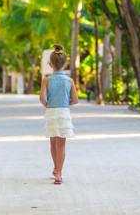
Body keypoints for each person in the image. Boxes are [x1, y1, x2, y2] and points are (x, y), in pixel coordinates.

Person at [39, 44, 78, 185]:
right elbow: (76, 100)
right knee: (61, 145)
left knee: (53, 143)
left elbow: (42, 98)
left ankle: (55, 168)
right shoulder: (69, 81)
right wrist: (66, 104)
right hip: (63, 112)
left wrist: (48, 105)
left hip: (51, 112)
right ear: (65, 64)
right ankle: (59, 174)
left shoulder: (46, 80)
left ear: (50, 64)